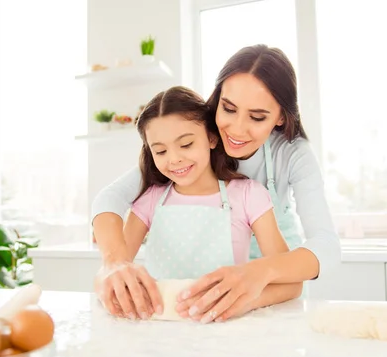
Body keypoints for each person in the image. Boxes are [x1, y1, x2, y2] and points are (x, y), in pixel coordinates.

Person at [92, 44, 341, 323]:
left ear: (281, 117)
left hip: (274, 286)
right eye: (229, 108)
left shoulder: (291, 154)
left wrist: (261, 272)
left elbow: (326, 246)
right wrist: (113, 264)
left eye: (257, 117)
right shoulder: (194, 140)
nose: (236, 129)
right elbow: (110, 197)